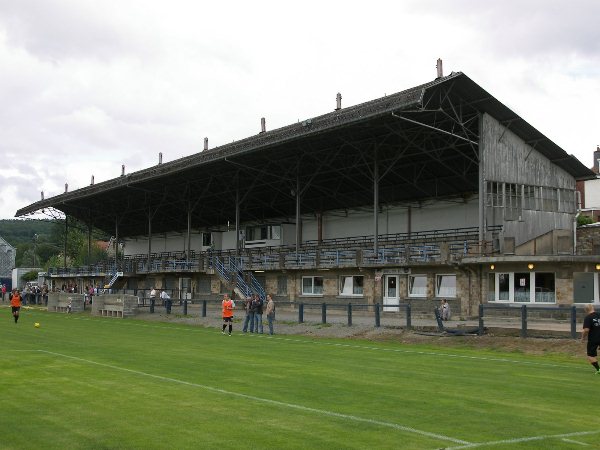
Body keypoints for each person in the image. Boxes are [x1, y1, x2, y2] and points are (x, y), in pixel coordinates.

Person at [582, 303, 600, 374]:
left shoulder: (588, 318)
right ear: (593, 307)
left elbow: (586, 330)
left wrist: (583, 337)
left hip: (594, 339)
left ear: (585, 310)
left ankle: (598, 369)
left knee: (590, 355)